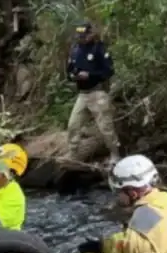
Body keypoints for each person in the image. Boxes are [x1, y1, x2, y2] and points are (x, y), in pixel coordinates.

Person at [66, 21, 121, 166]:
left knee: (105, 127)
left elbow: (108, 71)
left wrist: (90, 75)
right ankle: (73, 154)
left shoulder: (99, 48)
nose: (82, 38)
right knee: (73, 124)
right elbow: (69, 70)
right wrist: (73, 76)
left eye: (85, 36)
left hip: (97, 92)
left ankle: (115, 154)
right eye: (80, 36)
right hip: (82, 94)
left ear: (91, 33)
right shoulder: (75, 49)